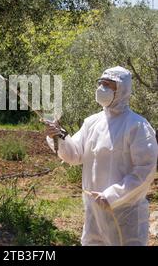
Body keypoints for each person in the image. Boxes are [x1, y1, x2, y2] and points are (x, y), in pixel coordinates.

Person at [45, 66, 158, 246]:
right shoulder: (92, 122)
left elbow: (145, 171)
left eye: (108, 84)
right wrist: (58, 136)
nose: (102, 88)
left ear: (121, 89)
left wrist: (112, 195)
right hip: (94, 214)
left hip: (125, 215)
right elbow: (74, 155)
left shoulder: (137, 126)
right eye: (100, 83)